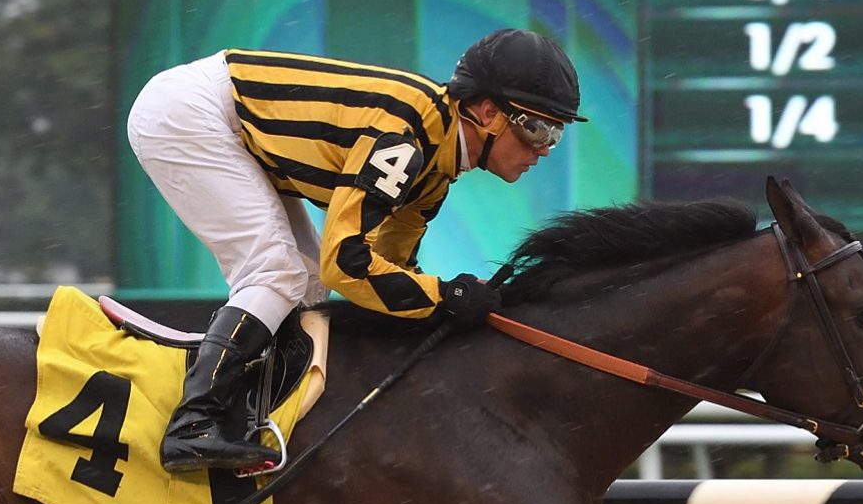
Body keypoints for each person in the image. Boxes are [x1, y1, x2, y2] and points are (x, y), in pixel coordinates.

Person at [125, 29, 586, 473]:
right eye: (539, 128)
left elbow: (391, 271)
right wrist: (447, 297)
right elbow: (347, 264)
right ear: (487, 112)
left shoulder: (435, 168)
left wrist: (450, 301)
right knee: (277, 272)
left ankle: (253, 415)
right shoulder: (408, 137)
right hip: (190, 113)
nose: (545, 149)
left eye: (556, 134)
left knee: (306, 284)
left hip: (227, 124)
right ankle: (194, 422)